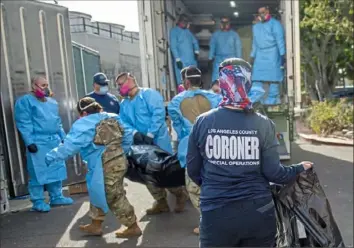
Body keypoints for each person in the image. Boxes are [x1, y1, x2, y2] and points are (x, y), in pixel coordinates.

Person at [186, 58, 313, 247]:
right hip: (258, 212)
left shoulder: (203, 122)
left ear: (222, 83)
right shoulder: (263, 124)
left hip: (216, 213)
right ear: (247, 82)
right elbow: (274, 173)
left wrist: (217, 186)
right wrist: (299, 168)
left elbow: (193, 170)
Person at [45, 97, 142, 238]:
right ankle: (95, 225)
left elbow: (69, 147)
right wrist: (121, 152)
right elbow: (127, 135)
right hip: (118, 161)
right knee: (97, 192)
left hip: (103, 165)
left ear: (83, 113)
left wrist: (51, 156)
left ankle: (133, 226)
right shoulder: (113, 117)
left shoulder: (83, 124)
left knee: (114, 196)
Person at [116, 72, 188, 215]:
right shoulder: (124, 104)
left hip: (158, 140)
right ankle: (161, 203)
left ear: (130, 81)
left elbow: (158, 114)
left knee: (166, 172)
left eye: (120, 84)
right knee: (146, 173)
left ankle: (180, 194)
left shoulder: (149, 95)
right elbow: (122, 122)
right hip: (139, 143)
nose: (119, 88)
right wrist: (135, 133)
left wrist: (150, 134)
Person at [168, 66, 221, 235]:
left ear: (186, 81)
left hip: (191, 149)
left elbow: (177, 127)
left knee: (194, 186)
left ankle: (209, 223)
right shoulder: (216, 98)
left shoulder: (176, 101)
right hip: (215, 147)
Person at [14, 76, 73, 212]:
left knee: (56, 168)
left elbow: (57, 122)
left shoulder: (52, 103)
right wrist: (29, 141)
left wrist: (63, 137)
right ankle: (38, 200)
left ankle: (56, 196)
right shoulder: (25, 102)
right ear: (33, 86)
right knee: (38, 171)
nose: (45, 88)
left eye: (47, 84)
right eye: (42, 85)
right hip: (38, 141)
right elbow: (24, 122)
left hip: (54, 141)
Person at [250, 6, 286, 105]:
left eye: (263, 12)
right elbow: (255, 43)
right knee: (257, 78)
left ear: (268, 11)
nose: (261, 14)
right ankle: (256, 102)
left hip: (273, 54)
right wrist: (252, 56)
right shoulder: (256, 27)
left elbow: (280, 41)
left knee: (274, 79)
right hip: (260, 55)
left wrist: (283, 55)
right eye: (259, 13)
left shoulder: (275, 24)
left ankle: (273, 102)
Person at [209, 16, 242, 85]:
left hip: (231, 60)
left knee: (231, 79)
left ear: (229, 23)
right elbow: (212, 46)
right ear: (220, 23)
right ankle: (217, 94)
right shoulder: (216, 35)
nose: (224, 24)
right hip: (218, 60)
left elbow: (238, 47)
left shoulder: (234, 35)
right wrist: (210, 57)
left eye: (226, 22)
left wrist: (239, 60)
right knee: (216, 79)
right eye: (222, 22)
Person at [170, 14, 200, 85]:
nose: (185, 23)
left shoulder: (188, 32)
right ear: (179, 21)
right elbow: (173, 46)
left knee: (194, 80)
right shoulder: (174, 31)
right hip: (182, 61)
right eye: (183, 21)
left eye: (186, 21)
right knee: (182, 81)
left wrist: (196, 52)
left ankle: (193, 95)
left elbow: (195, 42)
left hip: (191, 61)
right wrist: (177, 59)